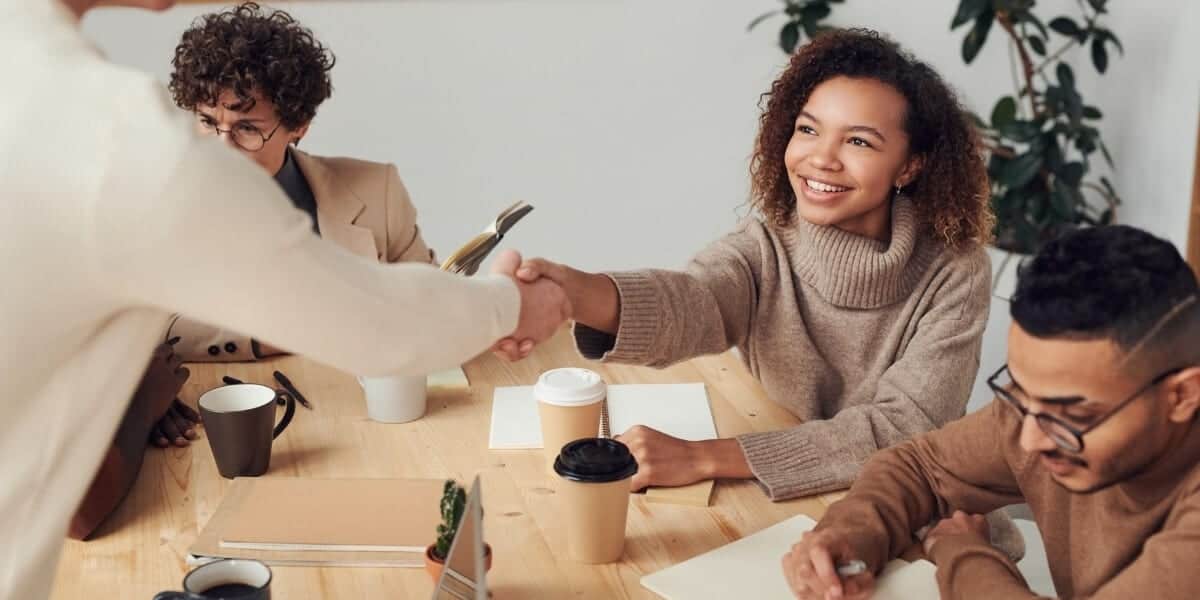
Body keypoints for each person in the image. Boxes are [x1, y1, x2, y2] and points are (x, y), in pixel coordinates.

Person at [0, 1, 569, 598]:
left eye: (248, 128)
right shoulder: (117, 139)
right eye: (208, 121)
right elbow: (369, 320)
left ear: (296, 125)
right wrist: (508, 305)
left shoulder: (53, 99)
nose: (223, 145)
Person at [503, 29, 995, 501]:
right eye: (808, 129)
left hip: (910, 511)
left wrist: (705, 458)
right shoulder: (766, 245)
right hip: (784, 500)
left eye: (859, 142)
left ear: (910, 165)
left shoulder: (954, 271)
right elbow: (695, 300)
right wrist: (572, 294)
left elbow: (904, 428)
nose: (820, 158)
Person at [782, 225, 1200, 600]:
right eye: (1020, 391)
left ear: (1182, 396)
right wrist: (852, 535)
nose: (1029, 441)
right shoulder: (1037, 412)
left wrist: (961, 552)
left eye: (1071, 415)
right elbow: (920, 467)